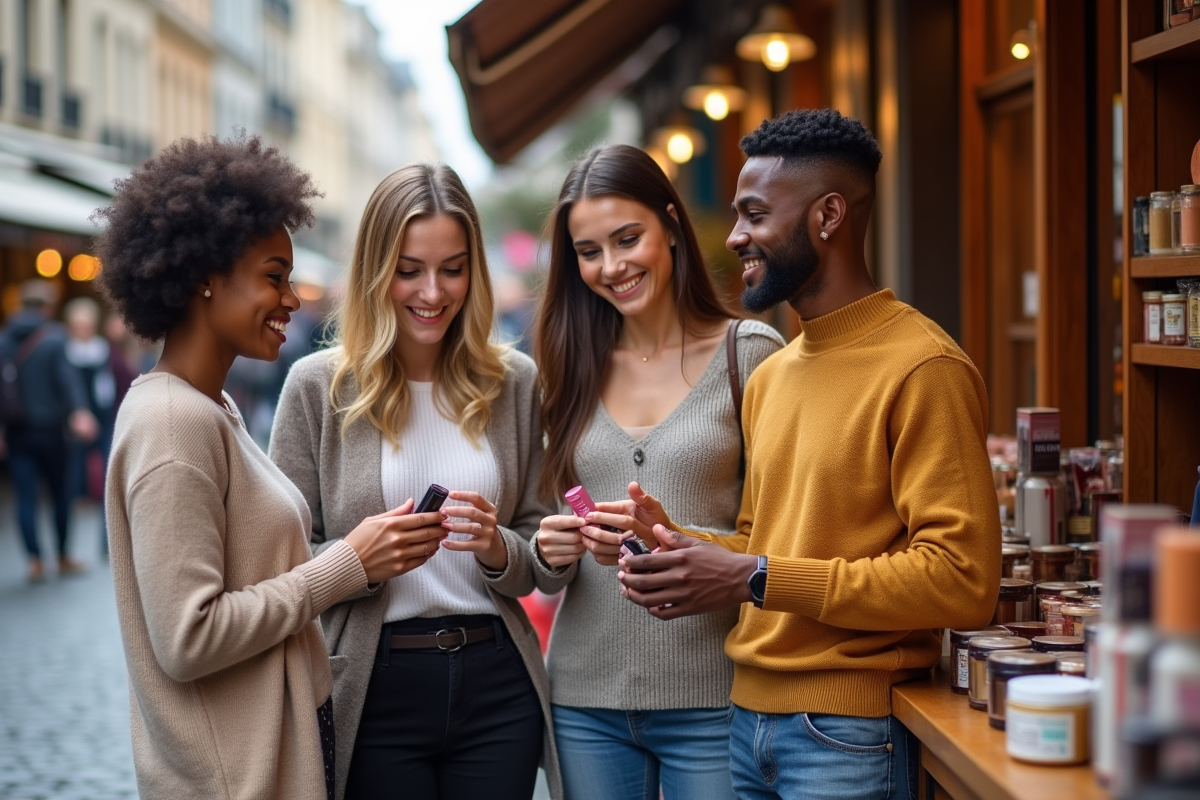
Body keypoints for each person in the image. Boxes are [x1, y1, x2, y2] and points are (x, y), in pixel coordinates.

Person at [615, 109, 1002, 800]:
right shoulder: (774, 374)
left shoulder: (923, 367)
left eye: (755, 214)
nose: (735, 237)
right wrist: (677, 544)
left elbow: (962, 581)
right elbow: (765, 546)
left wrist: (753, 576)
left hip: (846, 735)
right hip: (746, 725)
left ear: (828, 216)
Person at [96, 133, 435, 800]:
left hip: (266, 755)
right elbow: (189, 638)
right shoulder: (174, 423)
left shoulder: (210, 405)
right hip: (235, 778)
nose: (290, 300)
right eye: (274, 277)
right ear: (205, 276)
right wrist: (347, 566)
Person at [269, 163, 560, 800]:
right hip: (372, 683)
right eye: (409, 269)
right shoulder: (318, 388)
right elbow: (280, 559)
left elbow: (541, 547)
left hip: (497, 679)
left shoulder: (513, 381)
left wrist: (496, 548)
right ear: (377, 270)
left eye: (452, 268)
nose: (433, 291)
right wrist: (360, 559)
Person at [531, 144, 784, 800]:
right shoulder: (565, 368)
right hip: (585, 696)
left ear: (670, 227)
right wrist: (551, 550)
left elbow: (785, 532)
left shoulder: (751, 354)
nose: (611, 266)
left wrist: (676, 538)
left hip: (716, 691)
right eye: (589, 252)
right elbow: (538, 537)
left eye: (627, 239)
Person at [0, 279, 97, 581]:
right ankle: (63, 555)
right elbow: (67, 379)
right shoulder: (54, 338)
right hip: (52, 431)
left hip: (17, 432)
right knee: (60, 494)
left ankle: (34, 561)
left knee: (25, 497)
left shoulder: (4, 340)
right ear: (47, 308)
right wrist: (80, 412)